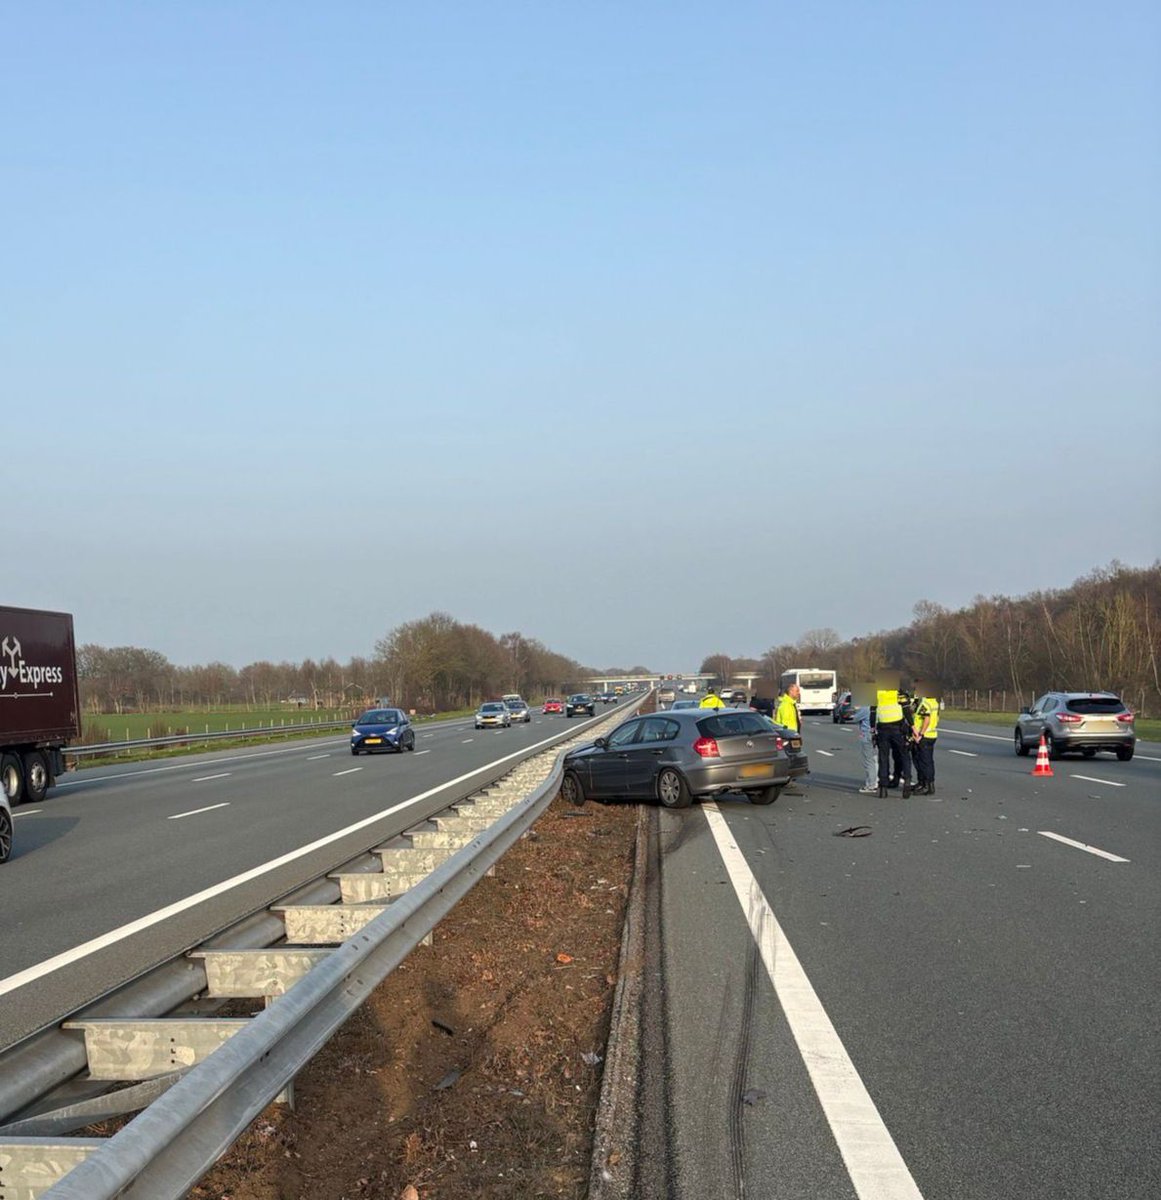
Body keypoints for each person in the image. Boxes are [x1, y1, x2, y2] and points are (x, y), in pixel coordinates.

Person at [875, 684, 911, 798]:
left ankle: (883, 787)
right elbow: (906, 710)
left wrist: (872, 730)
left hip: (883, 728)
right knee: (904, 755)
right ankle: (907, 782)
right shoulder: (899, 692)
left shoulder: (877, 692)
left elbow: (872, 711)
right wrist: (912, 726)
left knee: (883, 758)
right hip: (898, 728)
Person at [910, 690, 939, 794]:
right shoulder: (934, 702)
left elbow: (926, 719)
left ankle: (926, 786)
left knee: (923, 762)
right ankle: (923, 783)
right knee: (927, 761)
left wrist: (920, 734)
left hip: (924, 736)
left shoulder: (925, 703)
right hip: (931, 734)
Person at [856, 703, 878, 793]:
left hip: (867, 734)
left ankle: (871, 785)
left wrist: (857, 708)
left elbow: (856, 718)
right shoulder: (879, 706)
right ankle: (876, 781)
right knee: (875, 759)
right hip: (879, 734)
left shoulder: (866, 708)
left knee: (869, 761)